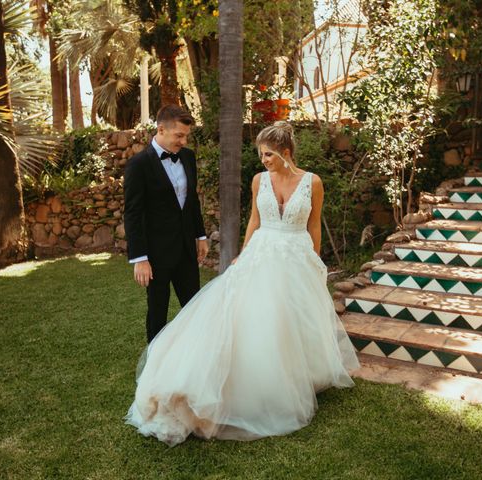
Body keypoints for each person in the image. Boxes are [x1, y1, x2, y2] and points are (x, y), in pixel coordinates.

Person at [125, 121, 360, 446]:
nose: (263, 160)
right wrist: (243, 254)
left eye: (269, 155)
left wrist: (315, 261)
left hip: (296, 254)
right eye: (261, 154)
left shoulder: (312, 182)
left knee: (292, 319)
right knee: (254, 319)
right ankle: (250, 383)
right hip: (262, 252)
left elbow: (314, 224)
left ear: (286, 152)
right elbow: (254, 220)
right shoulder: (258, 180)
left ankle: (298, 377)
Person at [123, 105, 209, 343]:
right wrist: (140, 258)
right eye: (178, 135)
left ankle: (196, 355)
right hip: (156, 254)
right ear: (161, 129)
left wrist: (200, 236)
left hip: (185, 249)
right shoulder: (138, 165)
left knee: (194, 307)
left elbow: (191, 200)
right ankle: (156, 365)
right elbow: (132, 213)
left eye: (186, 136)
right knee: (157, 313)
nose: (183, 141)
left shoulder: (188, 157)